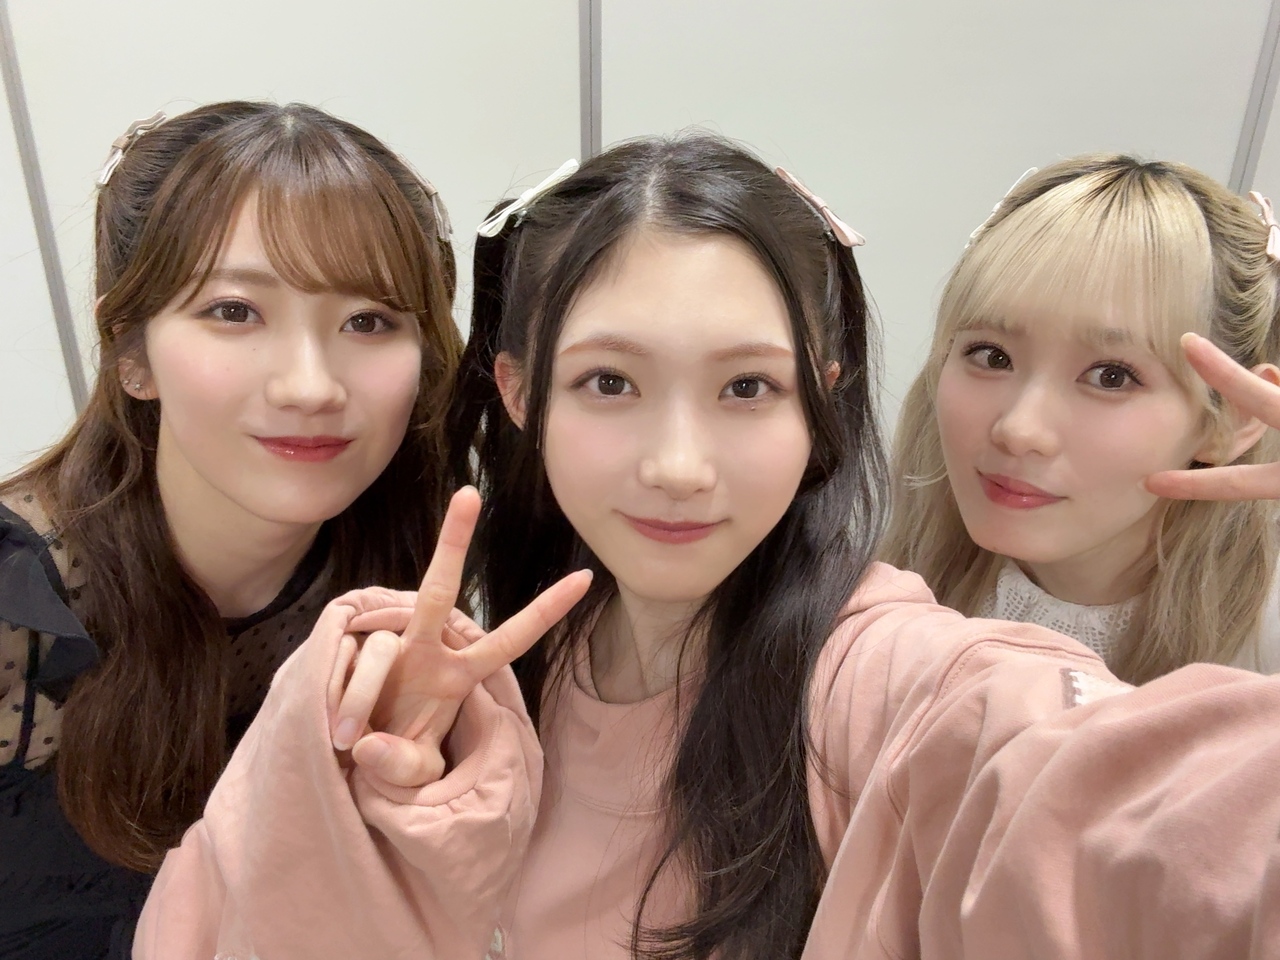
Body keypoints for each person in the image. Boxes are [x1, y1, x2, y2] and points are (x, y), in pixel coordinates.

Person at [136, 136, 1280, 960]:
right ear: (520, 393)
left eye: (744, 388)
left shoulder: (880, 677)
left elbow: (1141, 818)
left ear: (818, 397)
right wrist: (387, 782)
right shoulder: (505, 665)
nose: (678, 465)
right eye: (610, 383)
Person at [0, 100, 461, 958]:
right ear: (132, 353)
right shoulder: (18, 603)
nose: (311, 386)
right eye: (236, 312)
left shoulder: (411, 558)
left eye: (368, 320)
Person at [883, 155, 1280, 682]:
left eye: (1111, 376)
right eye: (992, 356)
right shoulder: (877, 587)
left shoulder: (1264, 645)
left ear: (1231, 417)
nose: (1019, 430)